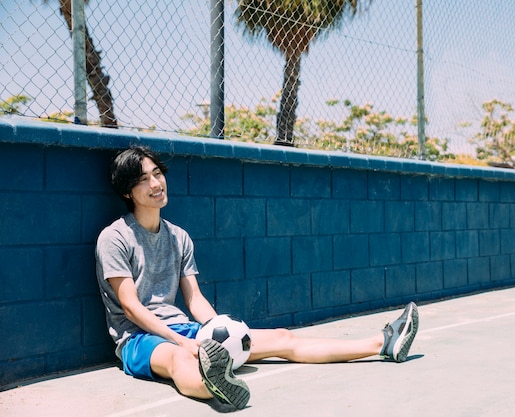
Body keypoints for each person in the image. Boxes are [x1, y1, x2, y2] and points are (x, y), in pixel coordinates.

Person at [95, 145, 419, 410]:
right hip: (138, 339)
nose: (155, 184)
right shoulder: (115, 238)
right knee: (181, 359)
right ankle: (216, 388)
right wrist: (185, 343)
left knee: (281, 337)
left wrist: (217, 331)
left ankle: (383, 343)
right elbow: (131, 306)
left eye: (157, 173)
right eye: (143, 180)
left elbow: (194, 298)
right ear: (127, 191)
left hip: (185, 328)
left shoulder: (178, 237)